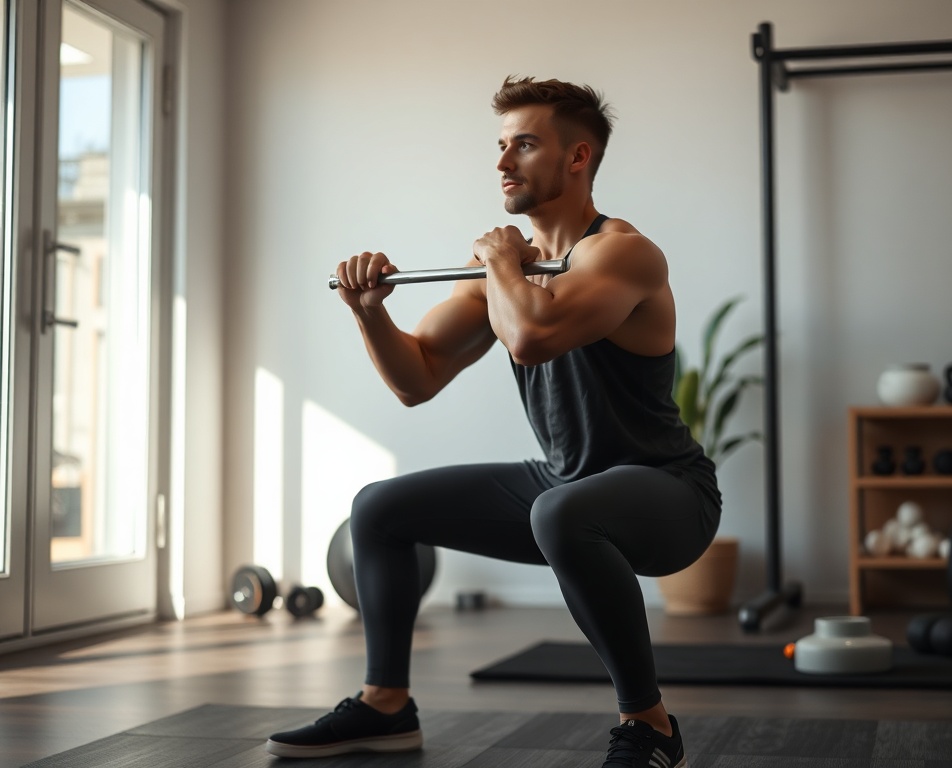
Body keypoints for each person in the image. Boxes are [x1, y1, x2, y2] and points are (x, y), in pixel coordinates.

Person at [266, 75, 721, 768]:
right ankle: (385, 704)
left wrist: (504, 264)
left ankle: (650, 725)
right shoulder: (499, 276)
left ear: (578, 158)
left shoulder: (622, 253)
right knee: (380, 508)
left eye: (525, 144)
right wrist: (369, 311)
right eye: (501, 146)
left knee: (561, 512)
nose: (503, 162)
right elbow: (416, 379)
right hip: (563, 484)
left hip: (666, 491)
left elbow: (534, 336)